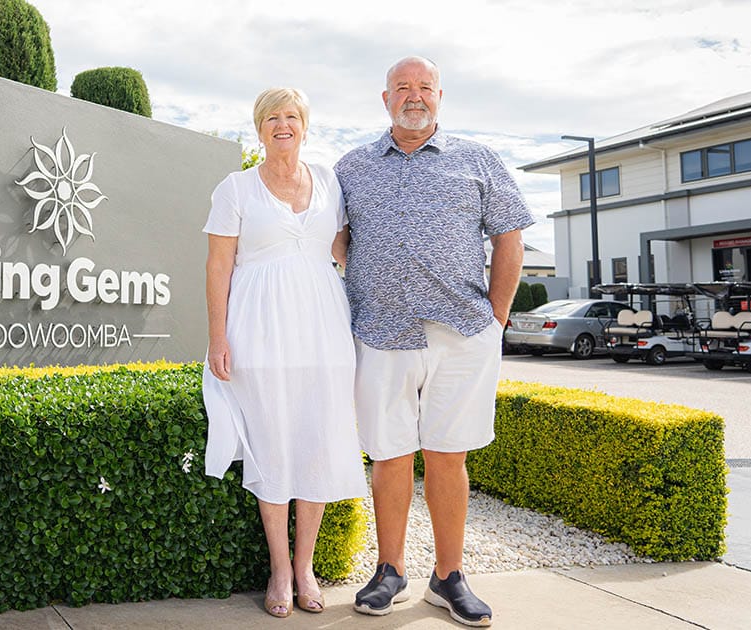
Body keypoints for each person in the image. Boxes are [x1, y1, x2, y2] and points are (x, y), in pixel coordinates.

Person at [333, 56, 534, 627]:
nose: (413, 96)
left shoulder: (478, 159)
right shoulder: (352, 166)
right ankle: (390, 571)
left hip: (463, 334)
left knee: (449, 454)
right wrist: (370, 280)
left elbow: (509, 238)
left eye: (423, 87)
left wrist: (496, 318)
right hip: (379, 330)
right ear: (385, 99)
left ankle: (448, 578)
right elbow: (336, 239)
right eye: (403, 88)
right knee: (389, 454)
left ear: (440, 96)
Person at [203, 87, 369, 619]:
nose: (282, 124)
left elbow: (344, 248)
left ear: (305, 125)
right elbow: (217, 267)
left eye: (291, 116)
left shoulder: (329, 181)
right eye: (271, 117)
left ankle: (305, 568)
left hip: (323, 328)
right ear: (258, 129)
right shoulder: (235, 188)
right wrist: (217, 336)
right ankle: (279, 569)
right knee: (272, 442)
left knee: (317, 442)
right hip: (260, 328)